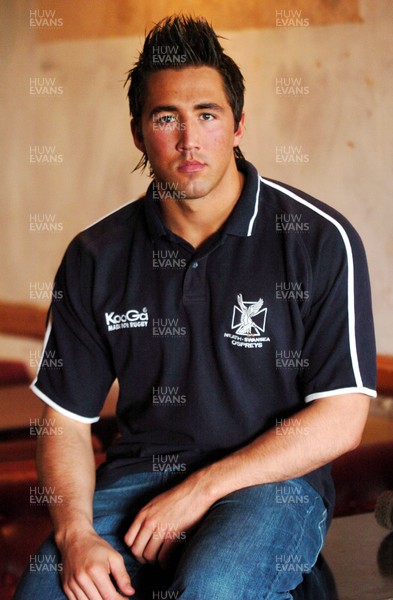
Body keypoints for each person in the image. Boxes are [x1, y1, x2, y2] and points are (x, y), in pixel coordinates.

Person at [15, 15, 376, 600]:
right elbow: (65, 420)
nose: (189, 140)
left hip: (273, 486)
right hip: (137, 480)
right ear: (137, 133)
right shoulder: (95, 255)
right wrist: (75, 532)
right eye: (166, 118)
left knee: (213, 588)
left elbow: (342, 417)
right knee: (45, 589)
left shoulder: (315, 238)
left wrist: (204, 487)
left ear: (238, 125)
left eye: (207, 115)